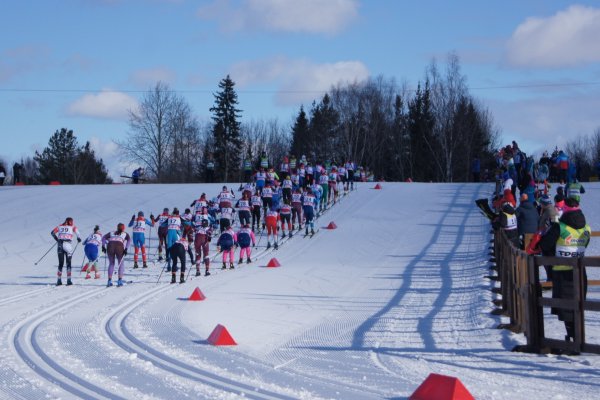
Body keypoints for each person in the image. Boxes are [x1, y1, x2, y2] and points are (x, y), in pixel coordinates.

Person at [539, 197, 591, 342]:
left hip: (562, 271)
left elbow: (545, 244)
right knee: (578, 304)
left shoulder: (559, 227)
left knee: (565, 307)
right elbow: (584, 245)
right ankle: (578, 337)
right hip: (580, 272)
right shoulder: (586, 228)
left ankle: (574, 338)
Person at [51, 217, 82, 286]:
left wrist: (57, 240)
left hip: (59, 245)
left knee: (60, 264)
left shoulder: (59, 226)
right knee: (68, 263)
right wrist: (79, 239)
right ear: (70, 222)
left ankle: (59, 280)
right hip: (68, 245)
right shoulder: (72, 227)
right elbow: (78, 234)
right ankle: (69, 280)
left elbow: (52, 233)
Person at [102, 223, 131, 287]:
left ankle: (109, 281)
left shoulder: (111, 232)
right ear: (123, 228)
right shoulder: (125, 234)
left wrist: (103, 246)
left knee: (111, 263)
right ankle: (119, 280)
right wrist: (126, 248)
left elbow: (103, 237)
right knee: (120, 263)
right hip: (119, 247)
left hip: (110, 246)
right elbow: (129, 240)